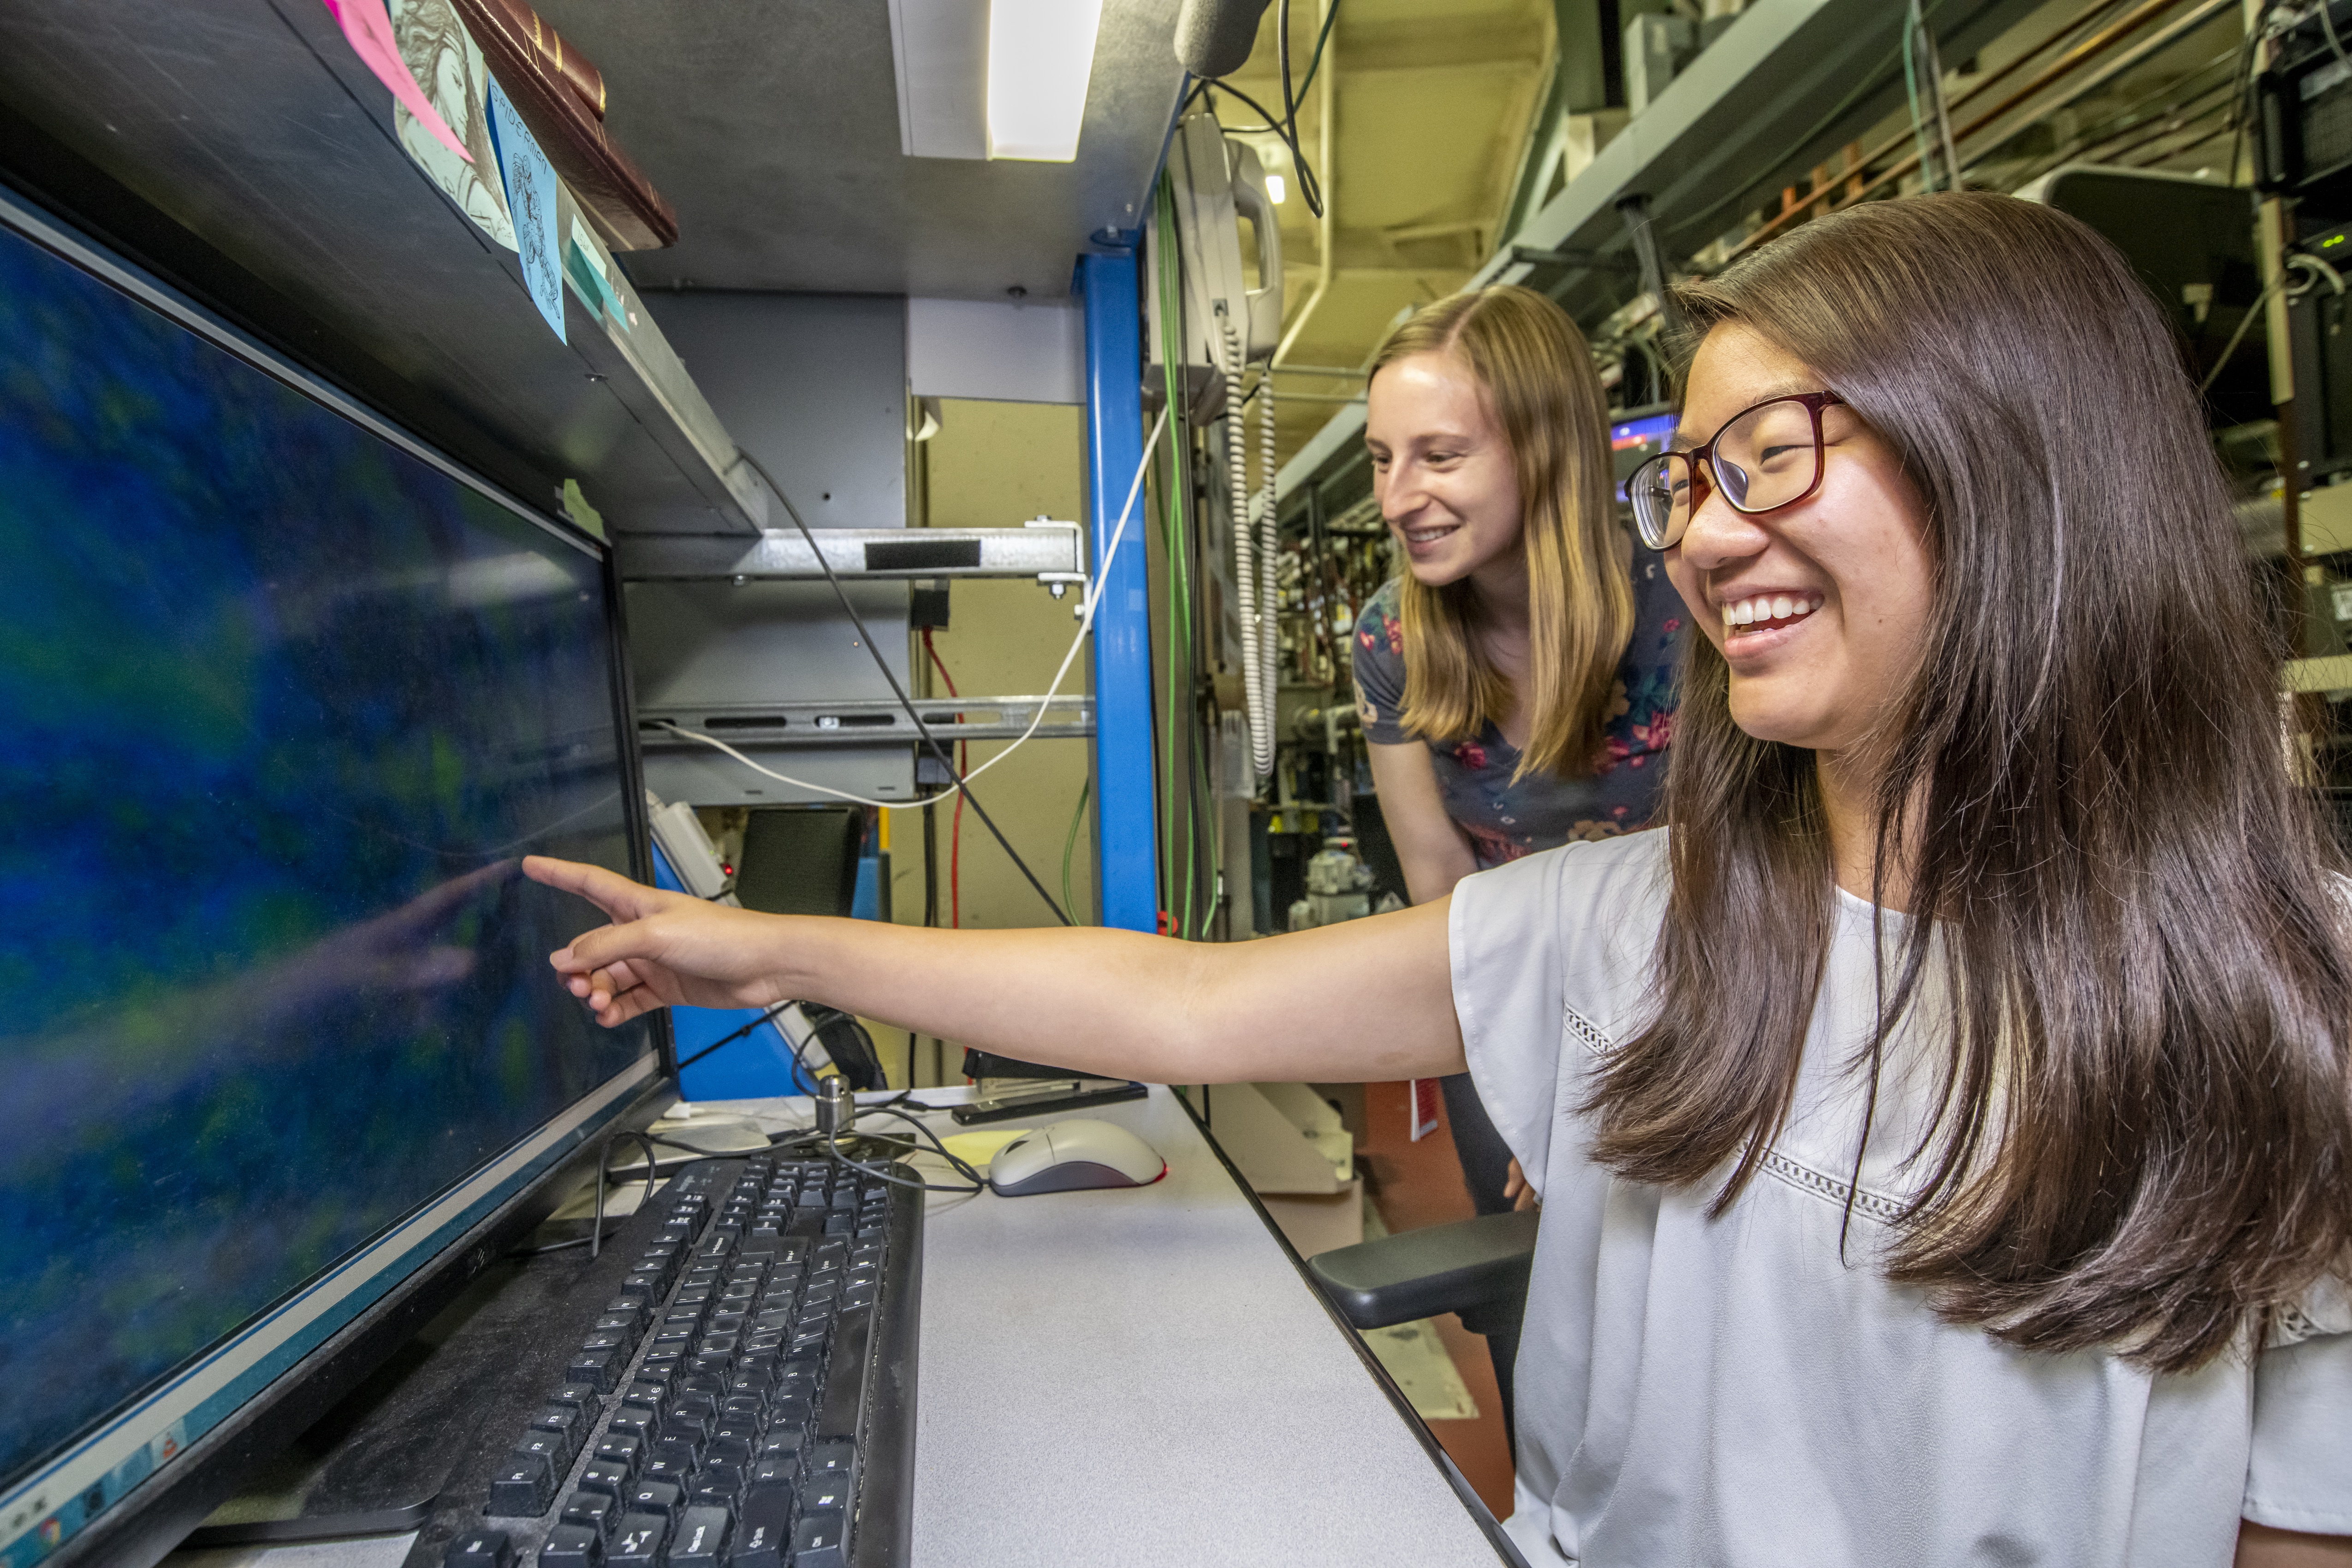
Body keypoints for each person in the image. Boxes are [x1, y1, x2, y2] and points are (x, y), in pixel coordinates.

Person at [524, 192, 2351, 1568]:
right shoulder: (1630, 924)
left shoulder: (2294, 1008)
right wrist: (768, 943)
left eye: (1773, 452)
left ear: (2019, 458)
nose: (1712, 532)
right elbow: (1181, 1000)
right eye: (1694, 479)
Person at [1350, 285, 1684, 1228]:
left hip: (1692, 1010)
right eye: (1383, 460)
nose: (1395, 498)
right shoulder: (1392, 641)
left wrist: (1611, 1073)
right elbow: (1443, 885)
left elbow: (1745, 874)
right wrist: (1538, 1087)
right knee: (1524, 1296)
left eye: (1439, 456)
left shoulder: (1687, 608)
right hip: (1504, 1005)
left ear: (1545, 448)